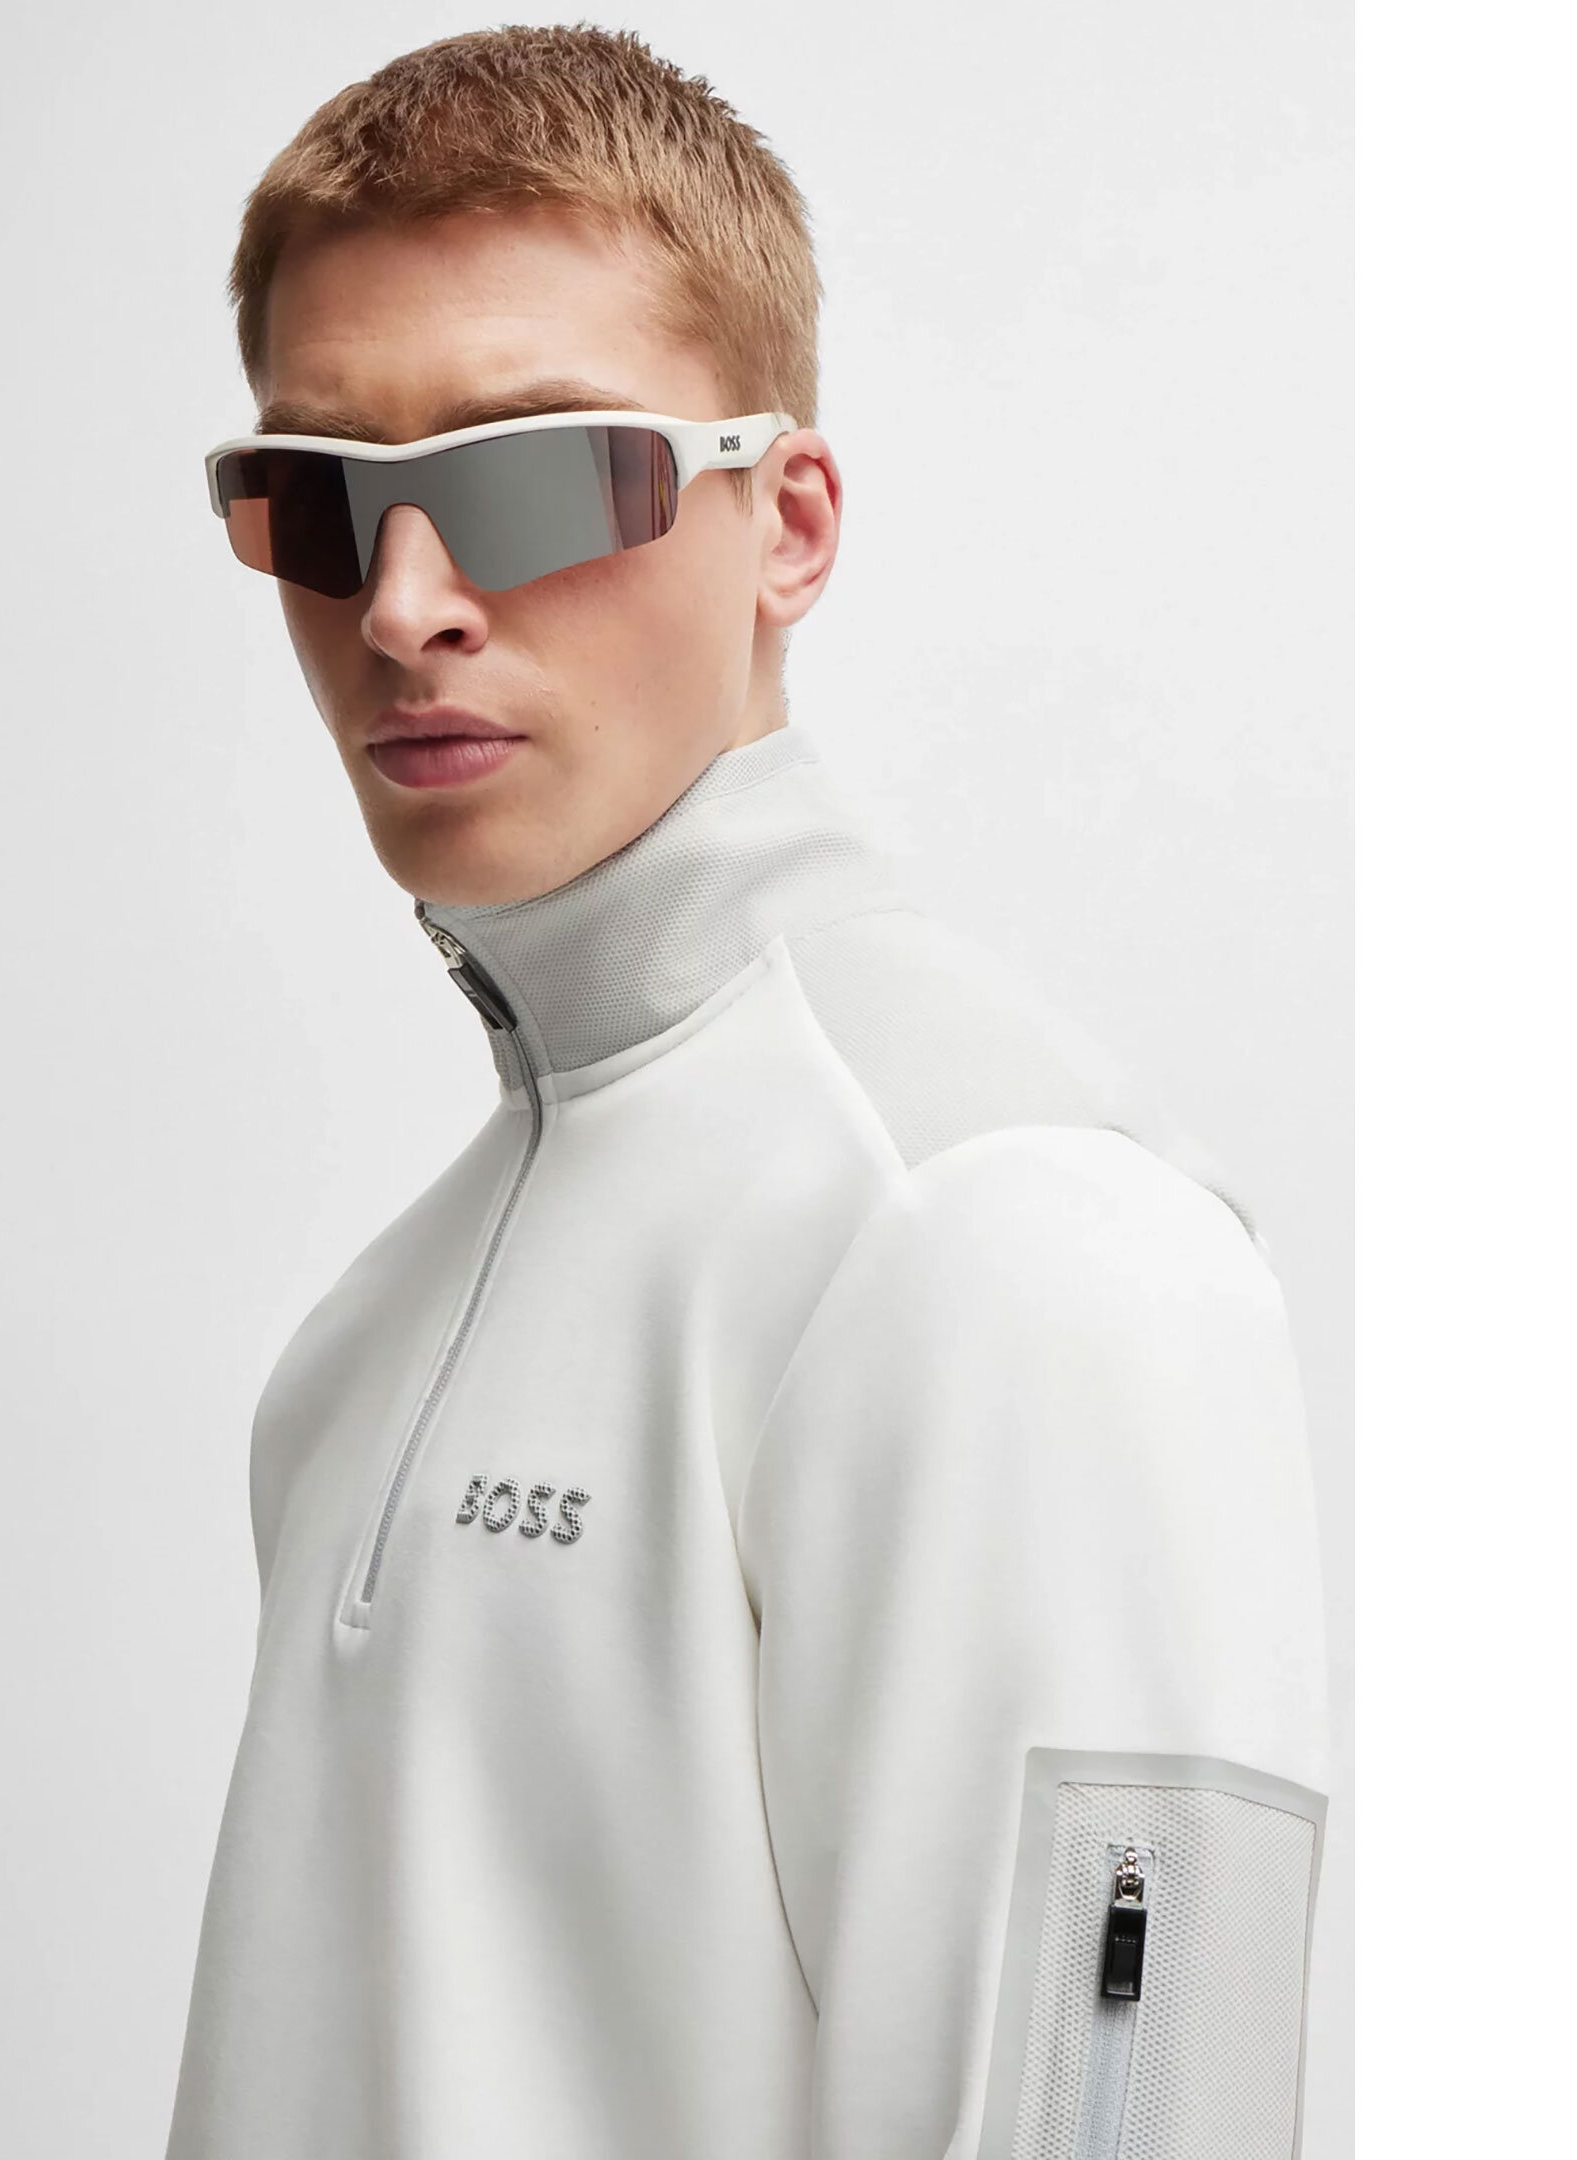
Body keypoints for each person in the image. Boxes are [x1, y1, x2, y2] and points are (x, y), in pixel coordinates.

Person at [167, 25, 1334, 2160]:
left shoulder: (1004, 1230)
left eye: (532, 477)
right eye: (315, 503)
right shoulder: (367, 1329)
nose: (404, 607)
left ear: (786, 523)